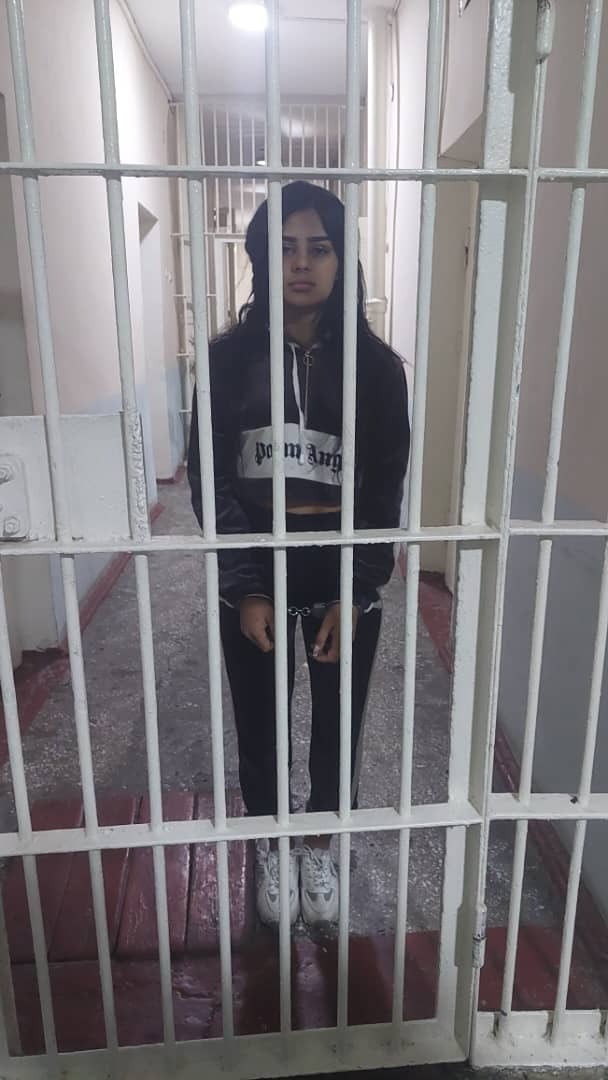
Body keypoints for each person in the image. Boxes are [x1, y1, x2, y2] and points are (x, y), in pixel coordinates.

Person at [188, 180, 409, 928]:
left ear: (342, 260)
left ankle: (319, 841)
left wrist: (358, 587)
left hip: (340, 568)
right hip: (257, 563)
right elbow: (211, 477)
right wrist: (245, 583)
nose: (302, 263)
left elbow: (384, 486)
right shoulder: (225, 362)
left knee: (337, 727)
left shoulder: (377, 370)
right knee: (261, 723)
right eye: (285, 248)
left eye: (319, 248)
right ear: (261, 258)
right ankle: (271, 841)